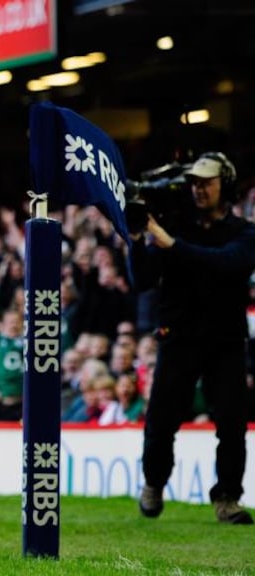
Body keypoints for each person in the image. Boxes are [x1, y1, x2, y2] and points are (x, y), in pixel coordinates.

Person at [131, 151, 254, 525]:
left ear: (226, 185)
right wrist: (136, 238)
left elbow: (226, 263)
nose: (199, 190)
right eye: (195, 183)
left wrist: (170, 244)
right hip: (178, 337)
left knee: (231, 423)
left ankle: (227, 498)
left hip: (225, 340)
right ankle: (154, 483)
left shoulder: (244, 234)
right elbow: (142, 280)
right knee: (161, 421)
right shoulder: (175, 226)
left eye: (208, 182)